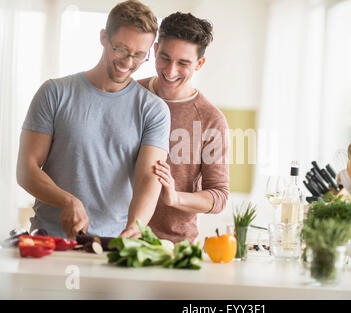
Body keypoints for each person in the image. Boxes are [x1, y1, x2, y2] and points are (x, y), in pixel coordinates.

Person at [16, 0, 170, 239]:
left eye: (139, 55)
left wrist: (135, 225)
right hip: (50, 240)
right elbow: (26, 170)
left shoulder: (153, 110)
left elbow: (148, 178)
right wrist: (67, 200)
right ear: (103, 38)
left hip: (113, 244)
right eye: (120, 49)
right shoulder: (55, 92)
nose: (128, 62)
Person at [137, 12, 229, 244]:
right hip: (114, 235)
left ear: (199, 63)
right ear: (155, 49)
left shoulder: (210, 119)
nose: (170, 71)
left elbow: (218, 196)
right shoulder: (128, 95)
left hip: (172, 245)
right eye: (165, 58)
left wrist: (175, 198)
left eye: (183, 63)